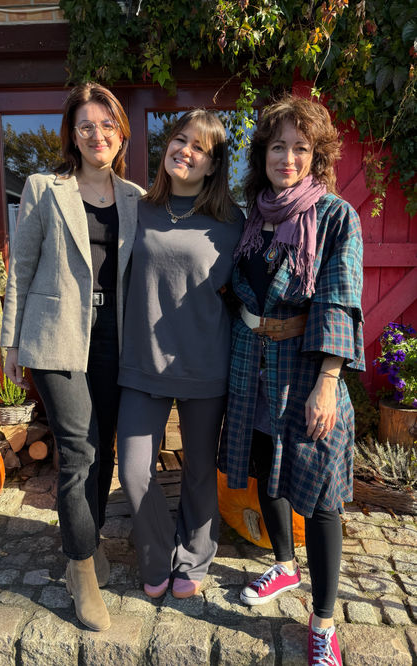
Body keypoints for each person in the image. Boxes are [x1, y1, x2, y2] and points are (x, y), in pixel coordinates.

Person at [219, 96, 364, 666]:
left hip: (305, 371)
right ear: (263, 153)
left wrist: (328, 382)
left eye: (300, 148)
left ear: (316, 155)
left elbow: (338, 299)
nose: (288, 157)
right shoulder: (251, 217)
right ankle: (284, 565)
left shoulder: (334, 217)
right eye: (278, 146)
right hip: (250, 366)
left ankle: (323, 622)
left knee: (322, 498)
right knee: (267, 473)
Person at [0, 83, 145, 631]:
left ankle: (90, 537)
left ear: (121, 132)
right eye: (86, 125)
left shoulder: (136, 197)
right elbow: (22, 266)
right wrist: (11, 343)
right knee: (80, 449)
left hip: (115, 339)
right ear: (73, 134)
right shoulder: (45, 188)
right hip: (55, 336)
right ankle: (80, 568)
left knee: (104, 450)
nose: (97, 134)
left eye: (107, 124)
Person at [116, 110, 244, 600]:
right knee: (133, 470)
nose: (185, 151)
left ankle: (194, 554)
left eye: (200, 148)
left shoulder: (233, 223)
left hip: (205, 364)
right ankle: (155, 555)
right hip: (141, 363)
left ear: (213, 165)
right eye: (180, 139)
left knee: (198, 470)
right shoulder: (138, 209)